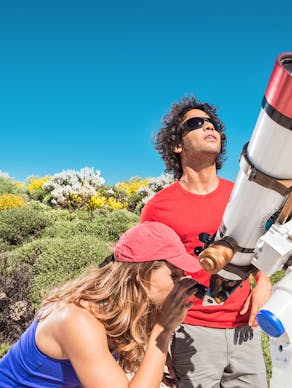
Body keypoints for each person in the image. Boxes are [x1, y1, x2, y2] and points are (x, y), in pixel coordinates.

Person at [140, 96, 270, 387]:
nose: (209, 127)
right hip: (192, 331)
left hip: (245, 330)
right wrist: (158, 343)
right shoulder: (158, 208)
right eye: (196, 123)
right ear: (177, 145)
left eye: (212, 124)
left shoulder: (242, 194)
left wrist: (264, 282)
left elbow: (262, 246)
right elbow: (147, 280)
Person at [0, 221, 200, 388]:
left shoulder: (116, 308)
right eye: (174, 275)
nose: (182, 282)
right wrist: (162, 332)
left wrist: (155, 363)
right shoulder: (77, 320)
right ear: (140, 276)